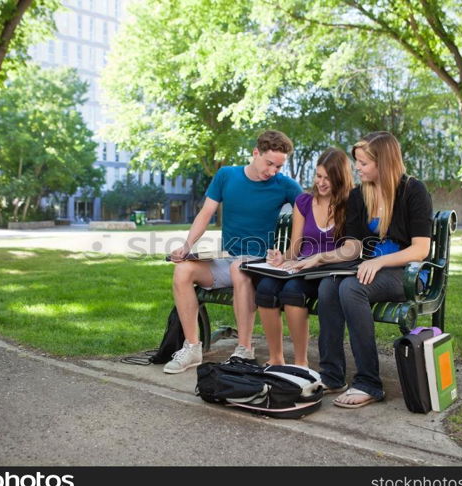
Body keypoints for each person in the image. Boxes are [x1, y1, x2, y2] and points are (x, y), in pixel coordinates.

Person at [293, 131, 433, 407]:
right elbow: (354, 248)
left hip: (407, 273)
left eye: (364, 163)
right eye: (357, 161)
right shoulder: (360, 195)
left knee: (351, 288)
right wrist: (320, 258)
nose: (357, 167)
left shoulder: (413, 191)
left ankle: (369, 382)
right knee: (330, 285)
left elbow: (421, 249)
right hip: (370, 269)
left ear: (384, 162)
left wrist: (379, 261)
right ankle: (332, 375)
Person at [165, 130, 303, 374]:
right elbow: (206, 213)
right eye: (269, 163)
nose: (273, 171)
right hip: (229, 258)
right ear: (255, 153)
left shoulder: (285, 185)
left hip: (261, 264)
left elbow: (311, 213)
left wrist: (292, 255)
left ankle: (244, 349)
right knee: (183, 270)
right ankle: (193, 347)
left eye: (279, 167)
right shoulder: (226, 175)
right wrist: (187, 247)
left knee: (239, 268)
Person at [254, 147, 353, 367]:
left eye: (329, 178)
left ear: (341, 179)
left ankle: (301, 363)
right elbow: (295, 247)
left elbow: (351, 248)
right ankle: (276, 358)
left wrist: (319, 258)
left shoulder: (350, 204)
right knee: (266, 287)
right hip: (302, 267)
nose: (322, 182)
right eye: (319, 176)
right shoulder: (304, 202)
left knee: (291, 291)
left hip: (330, 269)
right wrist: (283, 258)